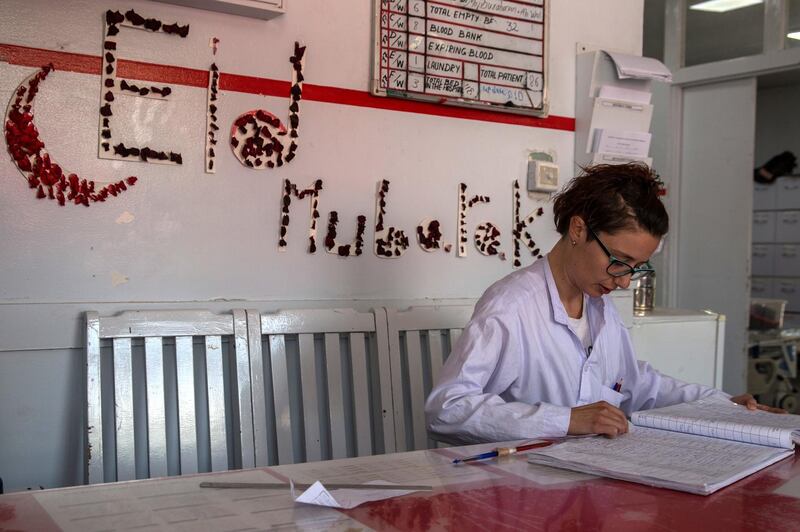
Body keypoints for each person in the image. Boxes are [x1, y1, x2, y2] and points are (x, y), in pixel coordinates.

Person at [425, 163, 782, 445]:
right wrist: (566, 420)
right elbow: (447, 409)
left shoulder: (599, 305)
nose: (625, 280)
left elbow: (637, 386)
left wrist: (720, 405)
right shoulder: (511, 306)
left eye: (636, 268)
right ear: (579, 230)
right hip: (520, 484)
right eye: (620, 260)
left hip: (589, 478)